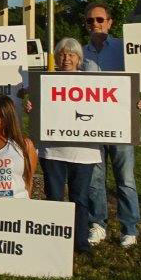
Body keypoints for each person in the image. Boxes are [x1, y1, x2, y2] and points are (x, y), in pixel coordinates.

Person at [27, 37, 101, 254]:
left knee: (80, 199)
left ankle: (80, 243)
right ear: (56, 57)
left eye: (71, 54)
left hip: (84, 153)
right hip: (53, 151)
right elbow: (33, 105)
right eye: (62, 54)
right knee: (54, 197)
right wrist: (32, 107)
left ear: (79, 59)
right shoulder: (46, 81)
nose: (66, 58)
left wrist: (134, 104)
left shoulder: (93, 82)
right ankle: (55, 242)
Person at [81, 1, 140, 248]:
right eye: (90, 21)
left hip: (120, 122)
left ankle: (129, 228)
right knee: (95, 178)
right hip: (91, 124)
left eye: (100, 20)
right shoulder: (80, 53)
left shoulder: (123, 48)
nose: (95, 24)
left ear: (110, 22)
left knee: (125, 179)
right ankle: (98, 224)